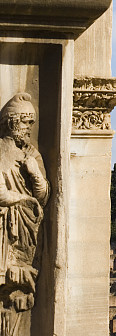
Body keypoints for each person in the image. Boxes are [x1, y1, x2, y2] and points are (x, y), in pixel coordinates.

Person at [0, 93, 49, 333]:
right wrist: (23, 197)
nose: (30, 127)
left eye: (32, 122)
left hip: (28, 230)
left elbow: (43, 196)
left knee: (22, 287)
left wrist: (35, 174)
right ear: (11, 122)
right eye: (26, 121)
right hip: (6, 228)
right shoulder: (0, 151)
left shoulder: (32, 154)